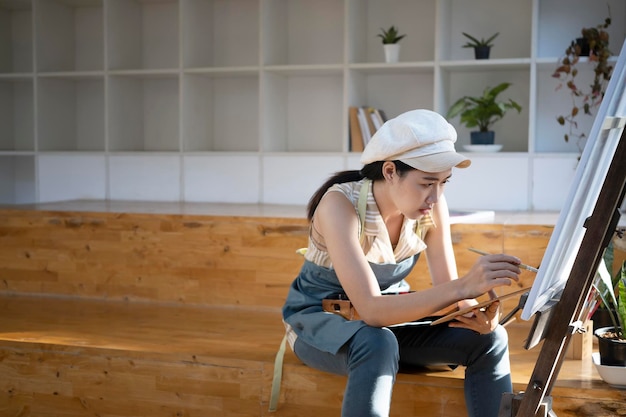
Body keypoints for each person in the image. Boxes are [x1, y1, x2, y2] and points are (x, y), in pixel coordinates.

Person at [280, 109, 521, 417]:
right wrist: (463, 287)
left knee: (490, 339)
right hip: (321, 324)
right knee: (376, 342)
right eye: (427, 183)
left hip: (392, 323)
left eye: (444, 183)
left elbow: (448, 293)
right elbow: (371, 309)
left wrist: (474, 312)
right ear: (391, 171)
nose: (435, 196)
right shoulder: (338, 206)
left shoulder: (431, 207)